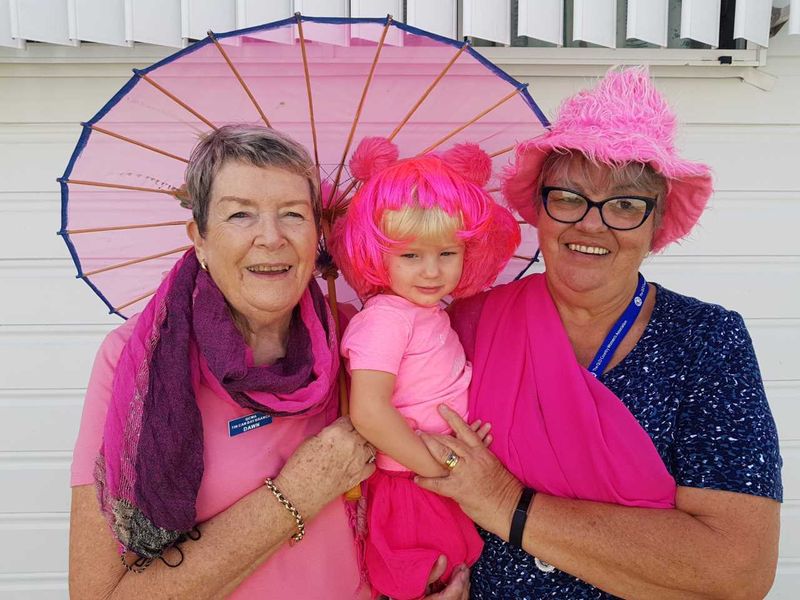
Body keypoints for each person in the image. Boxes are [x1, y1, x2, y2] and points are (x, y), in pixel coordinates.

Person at [414, 68, 783, 599]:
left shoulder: (706, 341)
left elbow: (738, 568)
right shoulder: (467, 323)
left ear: (656, 227)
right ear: (539, 209)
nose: (592, 224)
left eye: (626, 205)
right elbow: (406, 476)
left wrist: (505, 503)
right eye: (568, 197)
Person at [68, 124, 470, 599]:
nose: (271, 237)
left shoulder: (353, 336)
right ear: (200, 236)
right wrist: (299, 491)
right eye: (240, 215)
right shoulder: (136, 364)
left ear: (318, 234)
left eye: (293, 215)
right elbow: (100, 595)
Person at [330, 137, 519, 600]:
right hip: (411, 484)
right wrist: (442, 464)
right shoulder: (385, 320)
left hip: (433, 475)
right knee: (424, 577)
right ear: (377, 255)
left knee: (452, 572)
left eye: (446, 254)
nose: (432, 271)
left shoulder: (424, 312)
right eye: (410, 256)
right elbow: (370, 412)